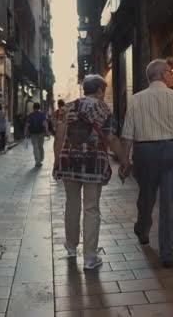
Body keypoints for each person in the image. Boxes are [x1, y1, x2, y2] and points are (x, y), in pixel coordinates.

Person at [121, 59, 173, 268]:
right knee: (171, 200)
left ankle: (142, 229)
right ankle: (168, 252)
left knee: (146, 195)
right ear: (163, 74)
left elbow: (127, 135)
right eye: (170, 72)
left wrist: (124, 161)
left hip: (144, 152)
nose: (172, 75)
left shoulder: (136, 100)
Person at [53, 75, 131, 270]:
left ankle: (71, 248)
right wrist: (125, 161)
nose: (104, 95)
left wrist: (57, 162)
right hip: (92, 163)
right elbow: (112, 139)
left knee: (71, 204)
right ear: (99, 91)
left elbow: (59, 137)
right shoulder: (103, 109)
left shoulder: (67, 108)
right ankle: (90, 258)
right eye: (103, 91)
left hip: (68, 161)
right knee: (91, 208)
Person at [24, 102, 49, 167]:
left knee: (35, 147)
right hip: (41, 133)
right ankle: (41, 158)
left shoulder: (30, 115)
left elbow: (27, 125)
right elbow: (45, 123)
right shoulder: (42, 114)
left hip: (33, 134)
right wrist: (47, 132)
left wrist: (25, 132)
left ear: (33, 108)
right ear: (39, 107)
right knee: (40, 146)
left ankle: (37, 161)